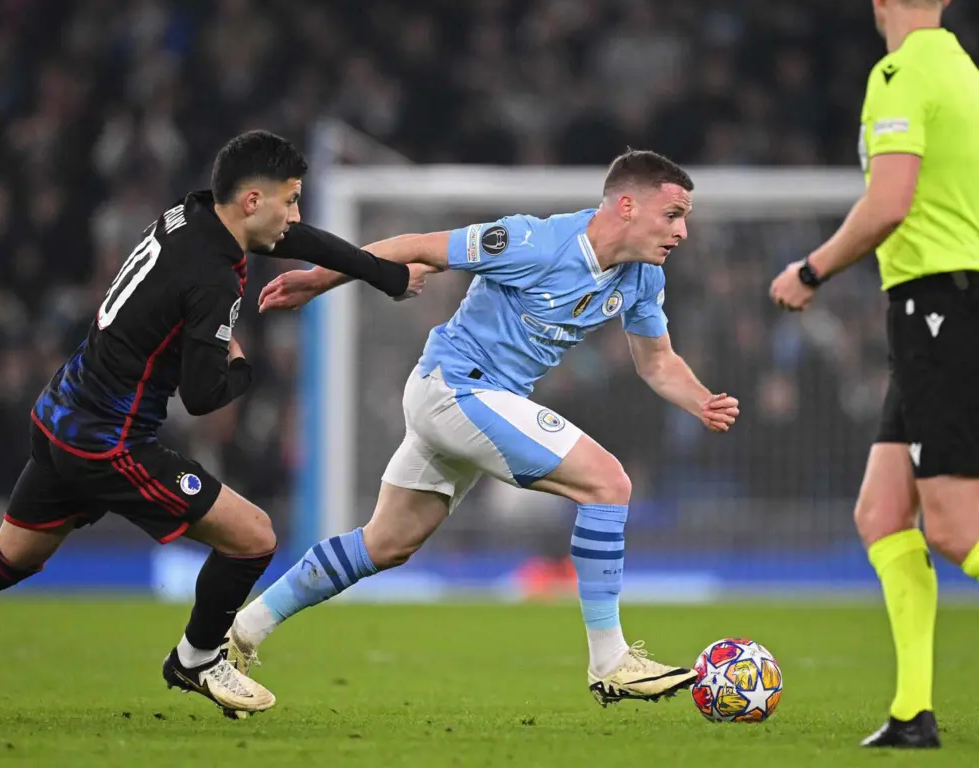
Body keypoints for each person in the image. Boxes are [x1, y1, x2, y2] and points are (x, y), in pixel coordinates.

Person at [0, 130, 431, 720]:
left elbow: (291, 237)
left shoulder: (191, 212)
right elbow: (203, 396)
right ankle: (198, 658)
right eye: (292, 199)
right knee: (253, 537)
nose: (297, 215)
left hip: (63, 411)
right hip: (109, 442)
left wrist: (383, 273)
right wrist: (242, 363)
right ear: (252, 201)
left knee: (10, 555)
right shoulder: (214, 276)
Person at [231, 149, 740, 708]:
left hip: (476, 402)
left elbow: (657, 361)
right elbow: (416, 247)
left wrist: (701, 401)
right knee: (608, 483)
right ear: (626, 205)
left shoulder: (642, 277)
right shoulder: (535, 242)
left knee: (386, 544)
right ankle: (611, 661)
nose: (682, 232)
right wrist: (317, 281)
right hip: (456, 387)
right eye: (673, 215)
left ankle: (240, 630)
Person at [770, 0, 979, 750]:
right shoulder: (963, 70)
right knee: (883, 513)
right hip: (944, 308)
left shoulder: (900, 73)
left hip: (942, 306)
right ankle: (912, 712)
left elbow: (890, 202)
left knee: (955, 528)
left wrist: (811, 270)